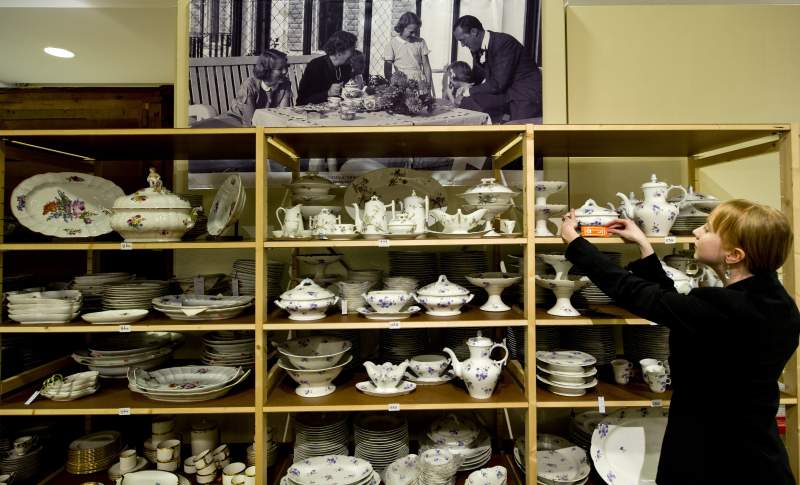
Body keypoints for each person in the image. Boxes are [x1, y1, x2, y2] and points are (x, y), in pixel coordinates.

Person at [560, 200, 799, 485]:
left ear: (734, 255)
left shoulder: (725, 308)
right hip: (759, 454)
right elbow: (676, 309)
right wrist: (644, 246)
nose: (696, 231)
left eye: (707, 229)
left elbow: (636, 293)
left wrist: (575, 243)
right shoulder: (779, 305)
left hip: (713, 457)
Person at [451, 15, 541, 122]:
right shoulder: (476, 47)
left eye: (463, 40)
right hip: (506, 93)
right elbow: (477, 75)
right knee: (467, 103)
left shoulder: (504, 43)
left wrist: (468, 91)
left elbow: (497, 84)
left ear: (474, 32)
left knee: (516, 129)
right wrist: (462, 85)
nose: (462, 45)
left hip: (525, 96)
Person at [192, 49, 291, 127]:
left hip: (263, 121)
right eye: (280, 69)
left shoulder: (285, 84)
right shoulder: (250, 85)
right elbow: (249, 120)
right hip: (238, 118)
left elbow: (283, 114)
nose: (285, 71)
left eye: (286, 67)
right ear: (266, 70)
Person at [296, 30, 357, 105]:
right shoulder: (316, 66)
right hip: (313, 109)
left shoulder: (346, 67)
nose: (354, 54)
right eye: (352, 50)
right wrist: (328, 93)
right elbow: (303, 100)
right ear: (339, 52)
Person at [384, 12, 433, 94]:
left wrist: (428, 84)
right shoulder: (392, 44)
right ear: (402, 28)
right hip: (402, 83)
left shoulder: (420, 42)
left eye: (416, 31)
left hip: (419, 82)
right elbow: (387, 69)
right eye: (411, 32)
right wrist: (392, 86)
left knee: (420, 101)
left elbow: (426, 66)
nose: (414, 35)